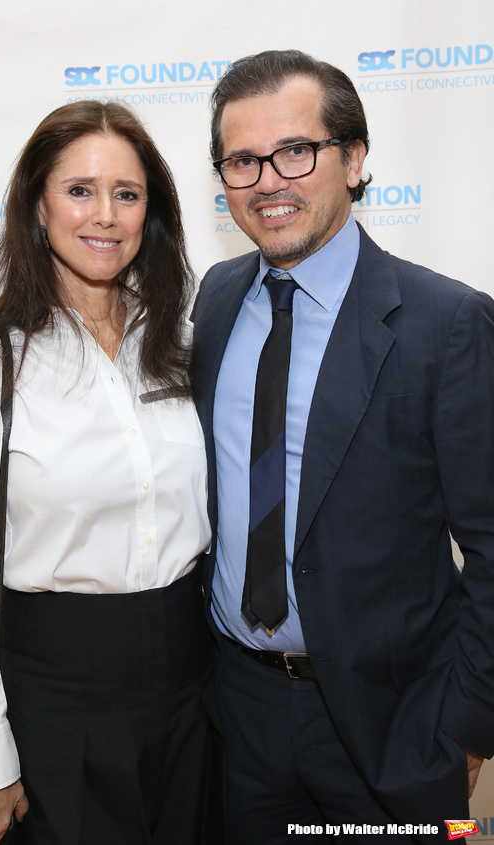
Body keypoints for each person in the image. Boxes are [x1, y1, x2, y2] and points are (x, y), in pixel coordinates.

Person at [191, 49, 494, 844]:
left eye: (296, 151)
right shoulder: (216, 299)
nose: (268, 180)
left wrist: (468, 727)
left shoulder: (448, 323)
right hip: (239, 716)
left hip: (398, 729)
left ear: (355, 160)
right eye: (242, 160)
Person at [0, 100, 223, 845]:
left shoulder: (182, 339)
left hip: (194, 694)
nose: (106, 216)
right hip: (55, 705)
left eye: (127, 194)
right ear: (38, 203)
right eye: (80, 190)